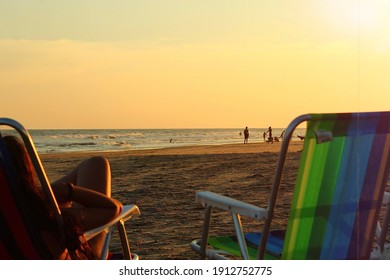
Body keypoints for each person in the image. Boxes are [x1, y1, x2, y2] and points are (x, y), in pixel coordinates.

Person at [3, 135, 123, 259]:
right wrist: (67, 191)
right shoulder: (47, 219)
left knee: (94, 163)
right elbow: (113, 208)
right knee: (97, 164)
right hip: (81, 260)